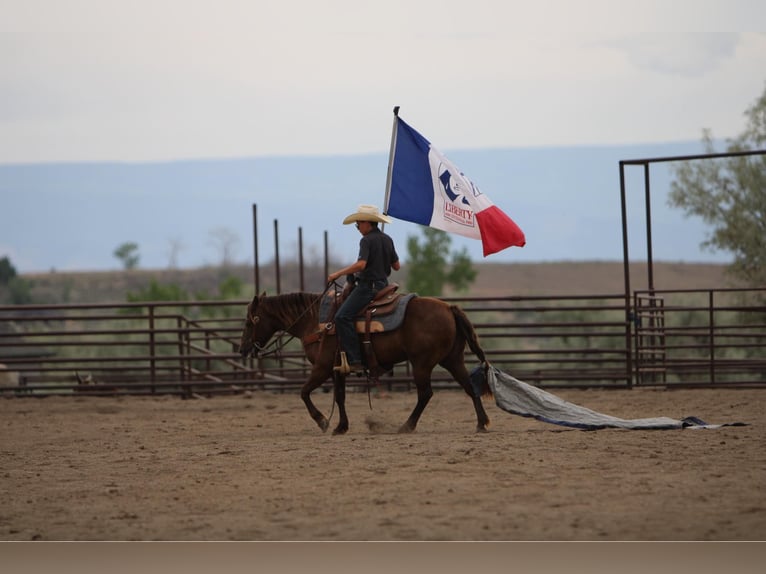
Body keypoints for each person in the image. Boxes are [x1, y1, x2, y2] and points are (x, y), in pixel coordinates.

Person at [327, 204, 401, 375]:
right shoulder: (387, 239)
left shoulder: (366, 240)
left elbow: (362, 264)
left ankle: (355, 360)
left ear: (368, 223)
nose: (358, 228)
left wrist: (337, 273)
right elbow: (396, 266)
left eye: (358, 224)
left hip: (368, 288)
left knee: (342, 316)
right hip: (384, 286)